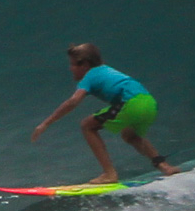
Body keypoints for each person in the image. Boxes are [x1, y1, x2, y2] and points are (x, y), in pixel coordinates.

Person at [31, 42, 181, 184]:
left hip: (130, 102)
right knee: (131, 136)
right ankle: (164, 166)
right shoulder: (106, 70)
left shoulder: (90, 75)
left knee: (87, 126)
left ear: (85, 64)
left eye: (73, 64)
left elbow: (73, 101)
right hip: (149, 102)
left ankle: (109, 173)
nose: (70, 69)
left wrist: (45, 123)